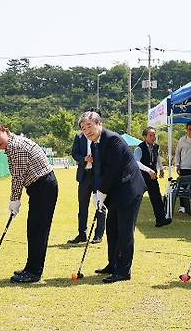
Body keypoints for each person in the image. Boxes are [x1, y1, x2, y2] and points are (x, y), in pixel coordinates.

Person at [0, 122, 58, 283]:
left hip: (43, 186)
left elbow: (18, 177)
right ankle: (30, 267)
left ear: (6, 131)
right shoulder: (11, 145)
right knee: (33, 228)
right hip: (39, 186)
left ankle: (34, 272)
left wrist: (14, 200)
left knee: (38, 230)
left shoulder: (15, 146)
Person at [80, 111, 146, 283]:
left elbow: (113, 170)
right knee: (112, 229)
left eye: (89, 126)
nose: (87, 131)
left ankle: (124, 270)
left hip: (129, 190)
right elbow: (98, 170)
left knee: (125, 231)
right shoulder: (95, 144)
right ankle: (113, 264)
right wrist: (97, 192)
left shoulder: (113, 139)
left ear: (99, 123)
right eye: (83, 128)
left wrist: (102, 192)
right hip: (115, 192)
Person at [68, 126, 106, 244]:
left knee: (99, 205)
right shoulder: (79, 136)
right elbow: (74, 153)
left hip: (98, 176)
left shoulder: (102, 136)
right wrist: (84, 159)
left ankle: (98, 235)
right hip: (84, 176)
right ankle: (82, 234)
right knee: (82, 206)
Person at [135, 126, 171, 227]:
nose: (153, 137)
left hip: (153, 176)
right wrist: (148, 170)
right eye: (150, 135)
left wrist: (161, 168)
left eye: (154, 135)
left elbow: (157, 157)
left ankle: (161, 219)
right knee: (136, 198)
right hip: (141, 177)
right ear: (145, 137)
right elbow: (136, 162)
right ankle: (129, 220)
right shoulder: (139, 148)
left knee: (157, 198)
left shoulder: (156, 146)